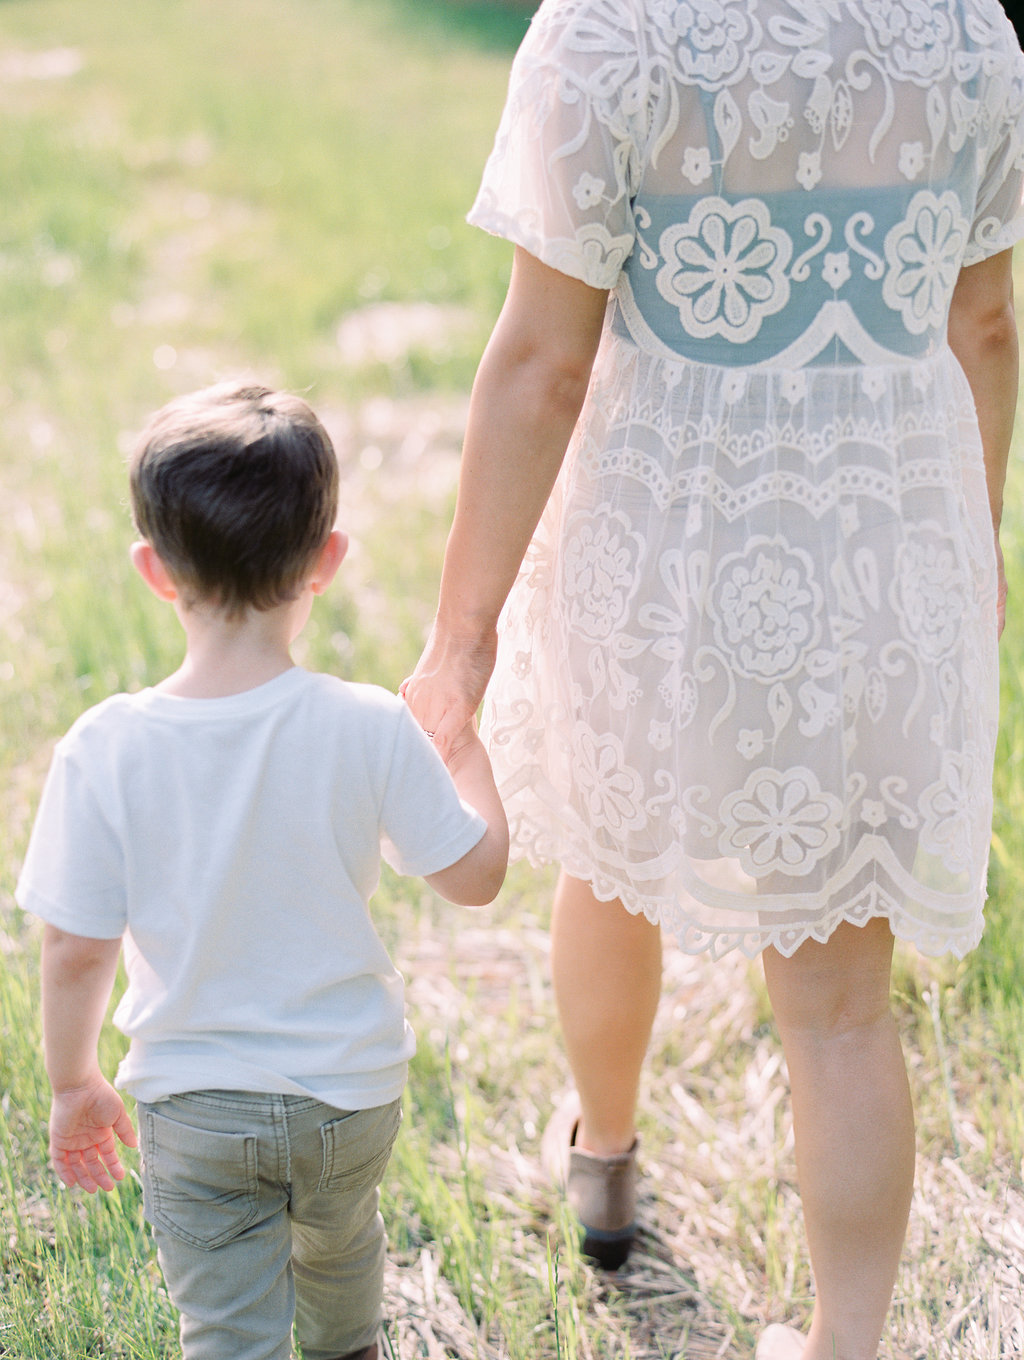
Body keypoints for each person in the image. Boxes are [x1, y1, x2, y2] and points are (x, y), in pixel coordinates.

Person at [402, 2, 1024, 1357]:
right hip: (878, 538)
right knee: (844, 1008)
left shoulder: (613, 28)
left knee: (611, 866)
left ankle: (606, 1160)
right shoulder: (964, 27)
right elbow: (986, 326)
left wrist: (462, 639)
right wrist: (962, 542)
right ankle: (846, 1343)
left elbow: (544, 360)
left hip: (669, 528)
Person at [16, 382, 508, 1360]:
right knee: (338, 1251)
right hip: (349, 1095)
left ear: (153, 571)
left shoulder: (105, 746)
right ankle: (347, 1346)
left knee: (230, 1330)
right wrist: (470, 759)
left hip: (195, 1107)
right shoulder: (368, 723)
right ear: (327, 561)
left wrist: (74, 1081)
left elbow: (75, 947)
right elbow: (474, 876)